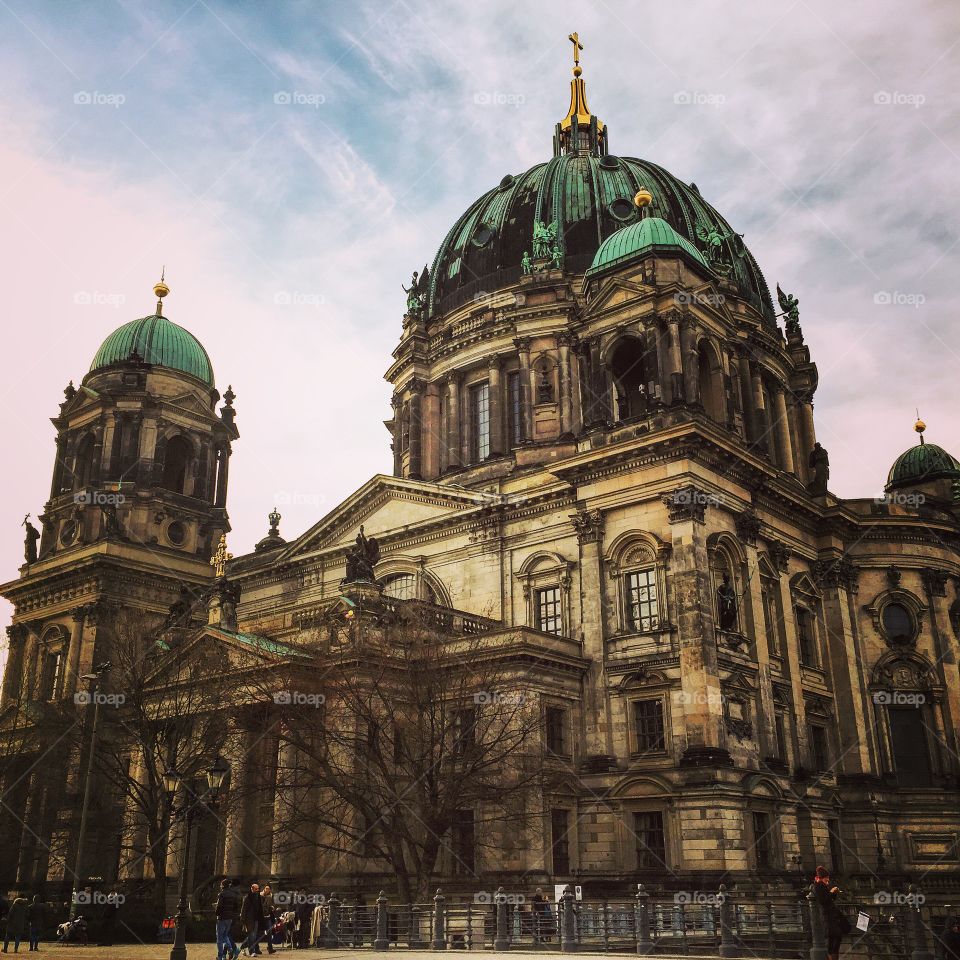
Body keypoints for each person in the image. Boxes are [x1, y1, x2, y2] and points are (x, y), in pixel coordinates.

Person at [813, 866, 850, 960]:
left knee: (835, 938)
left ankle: (832, 957)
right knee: (834, 938)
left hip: (831, 915)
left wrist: (833, 893)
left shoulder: (821, 885)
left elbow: (828, 899)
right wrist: (832, 892)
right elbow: (823, 900)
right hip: (828, 916)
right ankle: (831, 958)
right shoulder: (818, 886)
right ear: (822, 878)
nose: (828, 880)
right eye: (826, 879)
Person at [215, 879, 240, 960]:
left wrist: (216, 913)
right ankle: (230, 949)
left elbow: (219, 906)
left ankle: (220, 956)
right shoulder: (234, 894)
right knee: (225, 935)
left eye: (221, 885)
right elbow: (236, 907)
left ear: (223, 886)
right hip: (229, 918)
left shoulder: (221, 894)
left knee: (219, 938)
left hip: (222, 917)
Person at [240, 883, 264, 957]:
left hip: (256, 919)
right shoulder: (247, 897)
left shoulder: (258, 897)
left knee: (253, 936)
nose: (257, 890)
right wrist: (243, 919)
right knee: (252, 936)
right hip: (249, 919)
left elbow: (260, 908)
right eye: (256, 889)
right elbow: (243, 909)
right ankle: (251, 952)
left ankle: (243, 947)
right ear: (252, 889)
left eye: (258, 889)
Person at [260, 885, 276, 955]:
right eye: (266, 888)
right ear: (264, 889)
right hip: (261, 917)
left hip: (268, 916)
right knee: (259, 933)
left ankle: (270, 948)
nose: (267, 890)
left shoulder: (270, 896)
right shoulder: (260, 895)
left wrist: (272, 907)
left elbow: (272, 905)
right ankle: (256, 948)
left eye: (269, 889)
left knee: (269, 933)